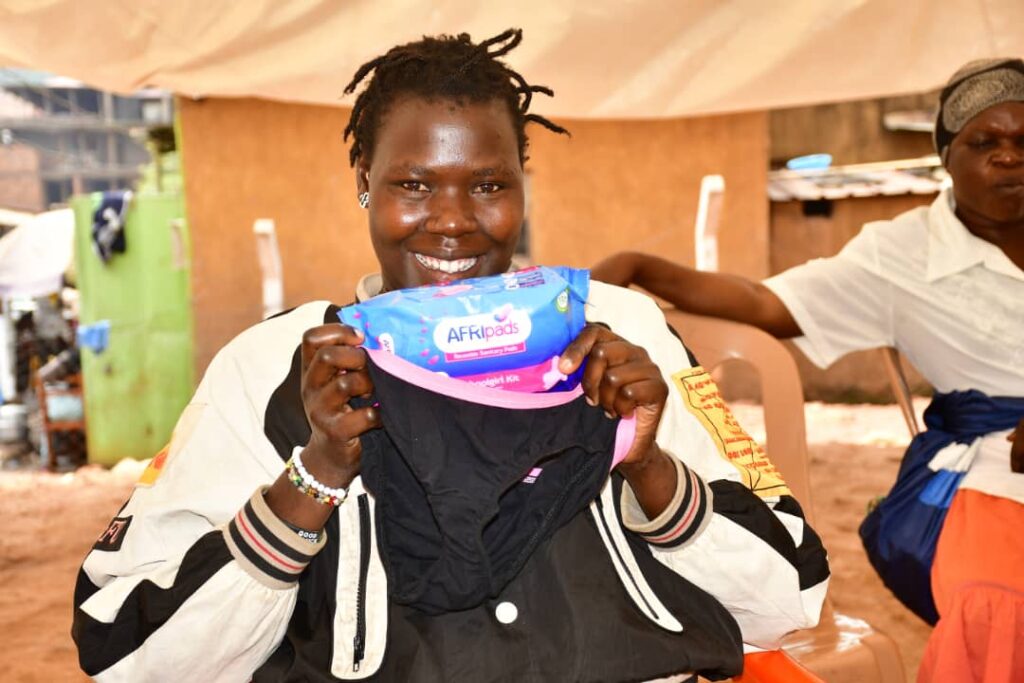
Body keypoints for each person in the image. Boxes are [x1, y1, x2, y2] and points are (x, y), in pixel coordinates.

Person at [72, 30, 827, 682]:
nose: (453, 221)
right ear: (364, 182)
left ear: (523, 187)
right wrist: (317, 471)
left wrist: (646, 462)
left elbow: (788, 599)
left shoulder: (622, 331)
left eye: (489, 184)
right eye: (413, 184)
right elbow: (133, 656)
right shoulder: (271, 365)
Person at [593, 57, 1024, 683]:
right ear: (946, 157)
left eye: (1023, 141)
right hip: (991, 472)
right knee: (993, 602)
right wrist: (638, 266)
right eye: (985, 142)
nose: (1009, 157)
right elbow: (768, 304)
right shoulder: (901, 255)